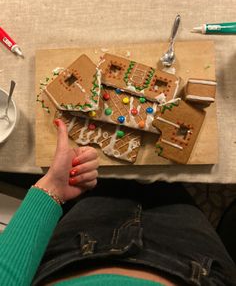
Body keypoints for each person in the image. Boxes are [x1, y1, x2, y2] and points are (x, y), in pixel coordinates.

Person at [0, 119, 235, 286]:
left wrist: (52, 187)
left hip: (72, 249)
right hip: (193, 264)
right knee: (168, 188)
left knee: (115, 184)